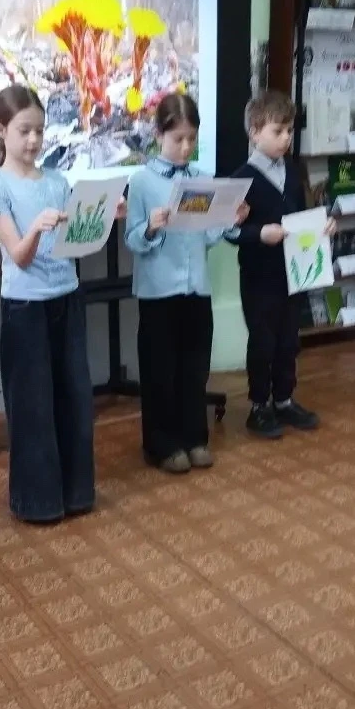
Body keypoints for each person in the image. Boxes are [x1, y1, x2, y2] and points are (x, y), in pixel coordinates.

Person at [0, 84, 123, 522]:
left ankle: (77, 493)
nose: (34, 140)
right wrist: (37, 228)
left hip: (66, 298)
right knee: (33, 407)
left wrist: (104, 217)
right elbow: (18, 256)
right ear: (1, 130)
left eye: (40, 131)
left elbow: (78, 243)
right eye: (24, 131)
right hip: (25, 309)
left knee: (75, 400)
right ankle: (38, 502)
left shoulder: (59, 182)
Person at [125, 93, 247, 474]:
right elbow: (132, 240)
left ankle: (195, 438)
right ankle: (161, 444)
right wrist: (151, 227)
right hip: (158, 291)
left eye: (192, 138)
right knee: (160, 370)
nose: (185, 147)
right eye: (178, 138)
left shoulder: (202, 179)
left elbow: (207, 236)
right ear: (158, 134)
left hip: (197, 288)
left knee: (194, 367)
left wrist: (230, 220)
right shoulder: (141, 181)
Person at [228, 89, 335, 439]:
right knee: (263, 342)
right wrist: (260, 233)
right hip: (259, 278)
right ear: (254, 132)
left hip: (294, 273)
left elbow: (302, 216)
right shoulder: (240, 178)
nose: (286, 137)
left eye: (289, 130)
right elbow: (229, 231)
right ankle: (259, 406)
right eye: (278, 131)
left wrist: (322, 227)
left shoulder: (292, 169)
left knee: (289, 341)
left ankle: (284, 400)